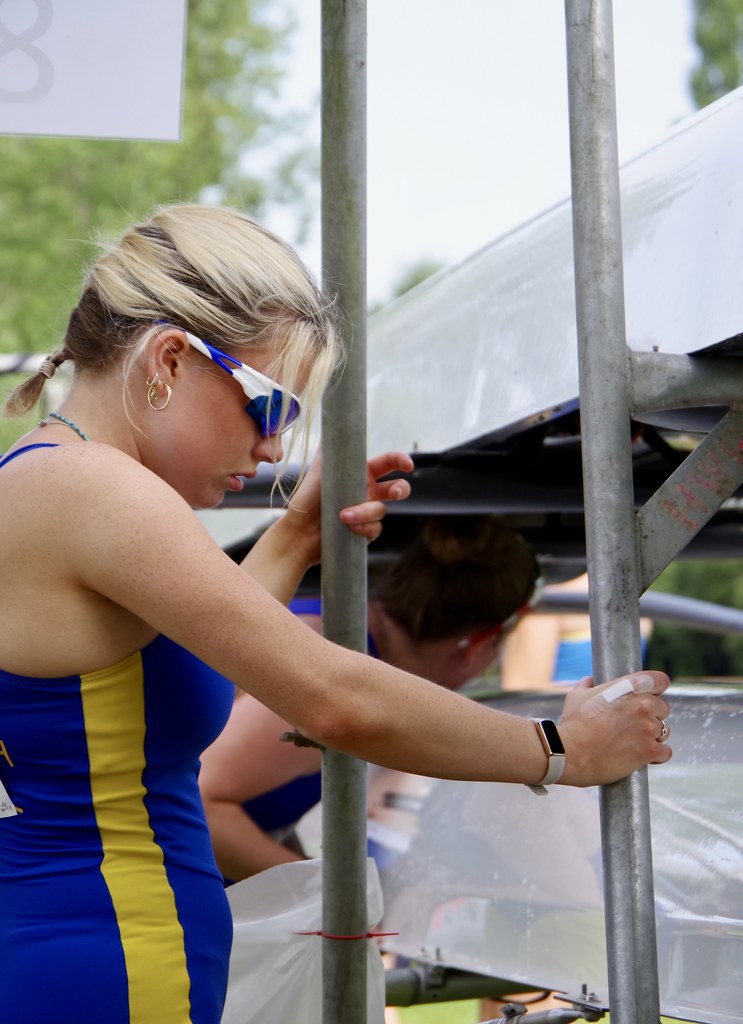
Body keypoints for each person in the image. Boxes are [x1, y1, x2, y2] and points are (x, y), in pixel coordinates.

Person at [0, 203, 672, 1024]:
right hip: (108, 960)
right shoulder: (94, 489)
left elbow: (173, 664)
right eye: (272, 406)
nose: (275, 450)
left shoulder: (49, 479)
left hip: (89, 952)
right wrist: (560, 750)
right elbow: (333, 698)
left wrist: (290, 536)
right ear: (169, 358)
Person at [199, 515, 543, 881]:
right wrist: (339, 906)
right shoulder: (329, 665)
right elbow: (203, 801)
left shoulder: (345, 644)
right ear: (477, 646)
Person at [500, 572, 653, 690]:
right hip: (605, 723)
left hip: (566, 724)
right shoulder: (641, 601)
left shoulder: (550, 600)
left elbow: (523, 691)